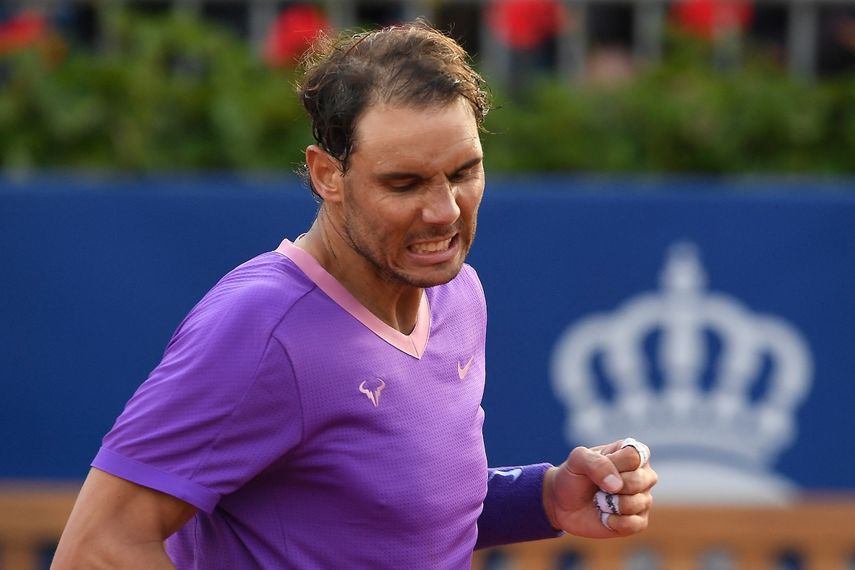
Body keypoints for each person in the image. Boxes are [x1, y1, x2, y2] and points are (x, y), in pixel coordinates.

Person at [52, 21, 656, 569]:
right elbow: (97, 550)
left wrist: (545, 498)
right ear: (326, 176)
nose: (444, 211)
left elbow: (386, 519)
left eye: (464, 172)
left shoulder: (457, 294)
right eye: (404, 182)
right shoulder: (259, 325)